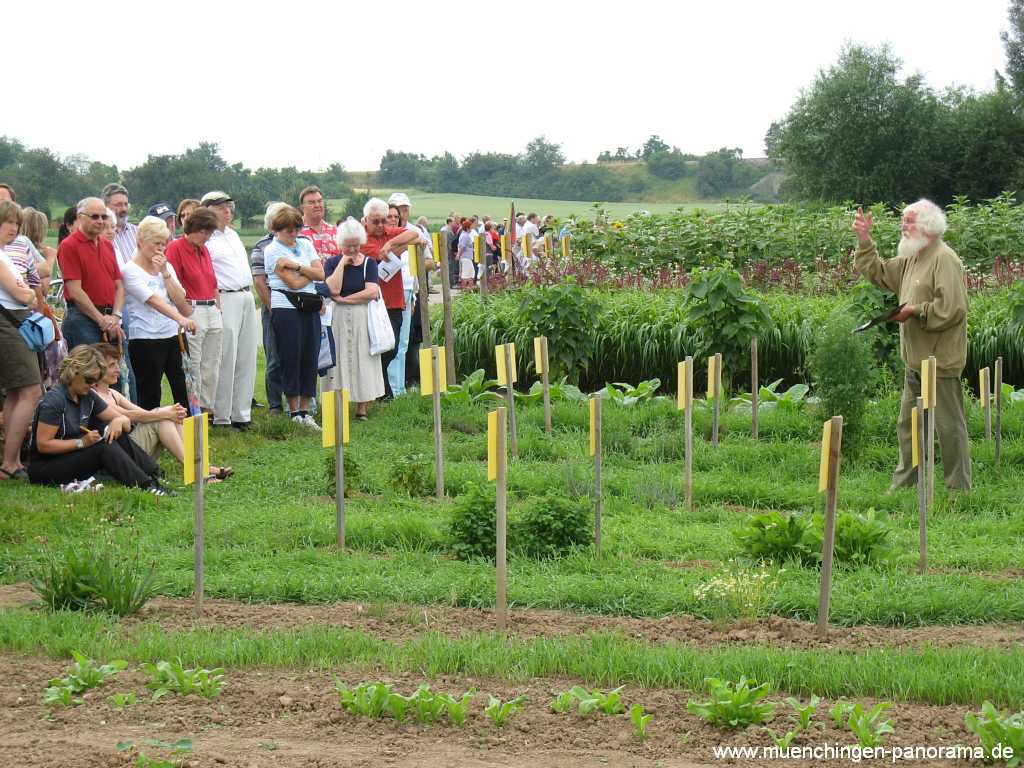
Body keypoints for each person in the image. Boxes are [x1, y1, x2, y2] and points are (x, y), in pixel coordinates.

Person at [853, 200, 971, 491]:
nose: (902, 227)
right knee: (909, 426)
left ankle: (958, 489)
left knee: (948, 427)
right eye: (903, 221)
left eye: (909, 221)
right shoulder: (912, 257)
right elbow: (879, 272)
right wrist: (865, 240)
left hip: (940, 361)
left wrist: (915, 311)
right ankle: (905, 484)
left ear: (928, 225)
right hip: (915, 360)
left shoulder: (944, 258)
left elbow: (953, 308)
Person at [27, 345, 171, 494]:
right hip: (45, 467)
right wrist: (81, 442)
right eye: (89, 380)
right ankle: (146, 486)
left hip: (71, 457)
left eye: (95, 381)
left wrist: (119, 421)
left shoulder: (88, 395)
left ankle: (153, 474)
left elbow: (126, 424)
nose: (92, 385)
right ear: (74, 372)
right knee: (103, 446)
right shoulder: (55, 401)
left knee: (112, 431)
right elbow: (43, 445)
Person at [91, 343, 232, 482]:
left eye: (117, 364)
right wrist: (166, 413)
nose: (118, 369)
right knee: (163, 420)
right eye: (112, 366)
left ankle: (201, 467)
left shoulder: (113, 393)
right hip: (119, 455)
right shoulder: (95, 395)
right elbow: (132, 416)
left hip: (130, 451)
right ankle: (197, 471)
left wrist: (170, 411)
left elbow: (142, 413)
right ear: (97, 369)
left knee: (167, 418)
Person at [121, 216, 196, 411]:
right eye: (156, 243)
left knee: (184, 387)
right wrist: (181, 318)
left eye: (164, 244)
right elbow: (154, 300)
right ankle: (150, 435)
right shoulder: (130, 271)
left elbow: (180, 297)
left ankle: (186, 434)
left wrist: (165, 272)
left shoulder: (166, 266)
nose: (160, 248)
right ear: (140, 242)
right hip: (146, 337)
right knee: (150, 392)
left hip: (173, 335)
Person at [263, 205, 324, 427]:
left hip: (309, 306)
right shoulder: (272, 251)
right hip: (286, 308)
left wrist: (298, 266)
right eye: (288, 230)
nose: (293, 235)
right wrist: (309, 272)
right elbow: (294, 283)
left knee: (310, 355)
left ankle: (306, 410)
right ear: (277, 229)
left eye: (296, 229)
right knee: (291, 356)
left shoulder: (306, 244)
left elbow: (321, 273)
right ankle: (294, 409)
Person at [318, 218, 384, 418]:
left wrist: (344, 300)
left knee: (362, 358)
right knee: (337, 359)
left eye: (356, 245)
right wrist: (342, 265)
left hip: (361, 318)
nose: (353, 250)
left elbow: (371, 292)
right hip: (337, 319)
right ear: (341, 244)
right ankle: (336, 405)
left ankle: (362, 408)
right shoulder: (331, 263)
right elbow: (332, 288)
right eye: (348, 246)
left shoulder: (369, 263)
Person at [202, 190, 257, 430]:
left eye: (228, 206)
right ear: (208, 209)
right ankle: (222, 415)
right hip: (225, 297)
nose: (227, 210)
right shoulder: (207, 240)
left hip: (246, 295)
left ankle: (241, 413)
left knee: (247, 356)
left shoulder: (233, 235)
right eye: (221, 206)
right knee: (227, 356)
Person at [360, 198, 419, 400]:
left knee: (393, 347)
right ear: (365, 220)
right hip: (374, 302)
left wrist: (393, 242)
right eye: (375, 221)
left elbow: (414, 233)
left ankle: (382, 389)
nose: (380, 226)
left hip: (394, 300)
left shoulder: (388, 233)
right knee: (380, 347)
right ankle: (383, 392)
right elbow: (384, 256)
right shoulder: (362, 240)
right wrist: (401, 246)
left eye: (383, 221)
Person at [165, 207, 222, 413]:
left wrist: (218, 305)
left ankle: (207, 409)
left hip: (211, 307)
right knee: (194, 363)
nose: (206, 236)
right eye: (203, 231)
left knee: (212, 364)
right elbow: (172, 283)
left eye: (209, 232)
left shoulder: (204, 249)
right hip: (193, 309)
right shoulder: (175, 248)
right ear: (192, 228)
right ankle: (195, 410)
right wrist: (185, 311)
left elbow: (212, 280)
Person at [0, 206, 42, 481]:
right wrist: (29, 295)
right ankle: (10, 462)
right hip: (8, 322)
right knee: (31, 391)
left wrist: (29, 293)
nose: (13, 227)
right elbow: (21, 292)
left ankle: (10, 459)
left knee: (18, 393)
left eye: (16, 222)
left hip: (13, 321)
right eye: (7, 221)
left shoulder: (5, 253)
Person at [57, 197, 125, 351]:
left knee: (115, 373)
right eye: (95, 216)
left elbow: (119, 286)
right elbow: (75, 291)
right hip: (83, 319)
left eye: (104, 216)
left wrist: (115, 317)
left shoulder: (107, 246)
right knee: (90, 372)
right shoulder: (69, 245)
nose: (100, 221)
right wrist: (102, 320)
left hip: (109, 318)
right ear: (80, 217)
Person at [386, 191, 431, 396]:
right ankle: (387, 386)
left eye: (403, 210)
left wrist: (415, 291)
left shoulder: (414, 230)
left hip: (407, 288)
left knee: (404, 341)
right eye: (395, 210)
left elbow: (427, 257)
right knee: (388, 340)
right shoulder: (381, 234)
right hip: (384, 290)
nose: (399, 214)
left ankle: (399, 387)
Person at [250, 202, 289, 415]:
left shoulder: (299, 243)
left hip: (297, 307)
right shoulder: (261, 246)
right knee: (275, 357)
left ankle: (298, 402)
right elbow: (259, 282)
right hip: (273, 307)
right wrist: (274, 308)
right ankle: (275, 404)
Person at [102, 183, 137, 268]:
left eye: (126, 204)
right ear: (105, 206)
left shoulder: (138, 231)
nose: (124, 209)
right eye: (119, 205)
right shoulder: (98, 235)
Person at [457, 217, 475, 289]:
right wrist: (458, 254)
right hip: (466, 257)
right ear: (467, 228)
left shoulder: (464, 235)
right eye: (471, 227)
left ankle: (468, 289)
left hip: (467, 257)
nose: (471, 229)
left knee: (471, 273)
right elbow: (462, 246)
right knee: (466, 275)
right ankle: (464, 290)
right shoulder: (465, 236)